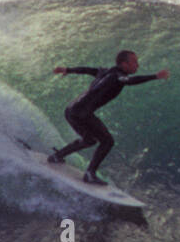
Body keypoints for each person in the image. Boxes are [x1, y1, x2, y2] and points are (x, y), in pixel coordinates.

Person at [50, 50, 169, 185]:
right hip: (82, 114)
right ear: (124, 64)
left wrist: (68, 69)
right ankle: (89, 174)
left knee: (89, 140)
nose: (138, 65)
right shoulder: (118, 76)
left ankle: (57, 156)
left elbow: (88, 70)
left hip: (71, 110)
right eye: (134, 62)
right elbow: (129, 81)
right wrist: (155, 76)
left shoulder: (105, 71)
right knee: (107, 141)